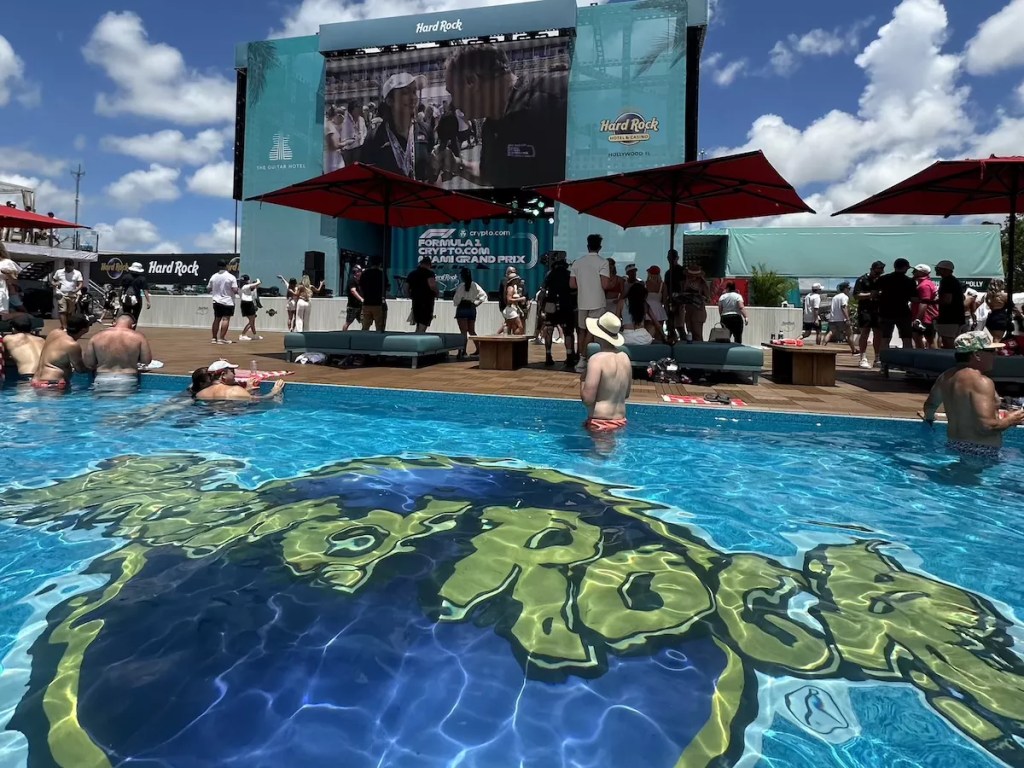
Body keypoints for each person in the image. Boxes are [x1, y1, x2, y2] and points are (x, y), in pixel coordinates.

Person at [440, 44, 568, 187]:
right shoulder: (490, 127)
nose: (453, 105)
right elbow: (491, 175)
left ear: (472, 82)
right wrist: (456, 165)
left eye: (452, 92)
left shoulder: (557, 97)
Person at [919, 331, 1024, 460]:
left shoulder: (945, 377)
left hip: (954, 446)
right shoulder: (981, 382)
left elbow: (930, 406)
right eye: (990, 351)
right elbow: (986, 426)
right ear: (977, 354)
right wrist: (1011, 419)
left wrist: (929, 421)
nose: (995, 355)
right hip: (982, 452)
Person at [360, 73, 424, 178]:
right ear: (390, 101)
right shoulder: (374, 138)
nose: (413, 98)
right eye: (405, 93)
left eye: (414, 91)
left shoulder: (425, 130)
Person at [580, 312, 631, 433]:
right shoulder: (625, 358)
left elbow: (588, 399)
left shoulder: (596, 360)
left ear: (598, 335)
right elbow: (626, 394)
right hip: (621, 421)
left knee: (598, 453)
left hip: (600, 423)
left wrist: (582, 380)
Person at [570, 234, 611, 372]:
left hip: (582, 301)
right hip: (597, 301)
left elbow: (572, 284)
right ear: (600, 247)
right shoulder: (603, 262)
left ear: (587, 246)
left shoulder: (577, 262)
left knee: (582, 330)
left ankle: (582, 359)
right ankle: (584, 359)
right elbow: (605, 285)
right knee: (593, 330)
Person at [82, 314, 153, 392]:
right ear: (133, 325)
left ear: (114, 323)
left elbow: (89, 363)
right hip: (127, 379)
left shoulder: (96, 337)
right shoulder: (139, 337)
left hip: (102, 378)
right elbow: (146, 360)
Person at [31, 314, 89, 391]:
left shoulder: (54, 333)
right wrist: (93, 367)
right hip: (53, 384)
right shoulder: (72, 345)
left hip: (36, 381)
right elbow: (80, 369)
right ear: (84, 330)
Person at [874, 258, 917, 354]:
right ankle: (907, 361)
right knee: (906, 339)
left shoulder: (883, 279)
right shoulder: (909, 281)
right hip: (903, 312)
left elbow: (874, 294)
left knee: (885, 338)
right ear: (905, 267)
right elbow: (914, 299)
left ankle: (883, 362)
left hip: (885, 312)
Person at [542, 253, 577, 369]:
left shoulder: (549, 275)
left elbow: (543, 291)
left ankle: (548, 355)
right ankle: (570, 355)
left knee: (549, 329)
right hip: (566, 305)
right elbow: (574, 291)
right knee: (568, 331)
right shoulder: (569, 275)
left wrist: (542, 308)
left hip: (551, 304)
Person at [195, 359, 286, 402]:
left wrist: (246, 389)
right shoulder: (234, 390)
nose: (235, 374)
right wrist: (274, 392)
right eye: (232, 371)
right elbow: (261, 400)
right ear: (223, 375)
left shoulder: (201, 394)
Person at [853, 260, 886, 368]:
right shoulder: (862, 280)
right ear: (871, 269)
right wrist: (870, 295)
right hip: (865, 310)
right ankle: (862, 357)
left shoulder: (881, 280)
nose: (878, 274)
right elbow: (856, 295)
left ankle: (877, 358)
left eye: (880, 272)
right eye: (877, 272)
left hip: (878, 310)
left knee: (878, 334)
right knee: (865, 333)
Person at [452, 267, 486, 358]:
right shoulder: (475, 285)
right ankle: (479, 350)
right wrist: (476, 303)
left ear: (462, 276)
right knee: (472, 331)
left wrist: (457, 304)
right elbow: (484, 295)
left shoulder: (461, 286)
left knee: (463, 332)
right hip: (471, 308)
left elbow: (456, 300)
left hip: (462, 308)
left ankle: (463, 351)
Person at [934, 259, 965, 349]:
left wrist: (931, 302)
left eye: (939, 269)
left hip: (949, 317)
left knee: (948, 341)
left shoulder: (947, 281)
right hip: (956, 317)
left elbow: (947, 300)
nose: (936, 270)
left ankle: (951, 359)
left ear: (945, 270)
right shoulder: (954, 281)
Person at [1, 314, 44, 379]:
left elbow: (4, 356)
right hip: (45, 376)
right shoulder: (42, 340)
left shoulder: (8, 339)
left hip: (28, 376)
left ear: (13, 329)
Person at [821, 282, 857, 354]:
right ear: (845, 289)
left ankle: (822, 347)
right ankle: (854, 350)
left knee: (830, 333)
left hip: (833, 318)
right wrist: (847, 319)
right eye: (848, 288)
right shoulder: (844, 297)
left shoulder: (835, 297)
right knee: (849, 334)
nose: (849, 290)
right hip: (842, 319)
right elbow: (843, 307)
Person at [208, 260, 238, 344]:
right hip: (228, 301)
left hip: (216, 301)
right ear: (226, 266)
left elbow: (208, 289)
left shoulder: (213, 276)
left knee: (217, 319)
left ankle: (214, 338)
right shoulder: (231, 277)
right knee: (226, 319)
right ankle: (221, 338)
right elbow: (235, 289)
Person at [680, 265, 711, 342]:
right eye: (690, 276)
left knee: (697, 333)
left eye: (694, 276)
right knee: (689, 332)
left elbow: (708, 299)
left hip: (698, 310)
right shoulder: (684, 283)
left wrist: (699, 297)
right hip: (688, 309)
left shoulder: (702, 284)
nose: (692, 277)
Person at [406, 256, 438, 332]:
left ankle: (415, 338)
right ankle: (419, 339)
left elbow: (406, 287)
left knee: (418, 322)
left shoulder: (412, 274)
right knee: (423, 322)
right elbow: (432, 285)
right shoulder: (429, 273)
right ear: (429, 264)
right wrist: (437, 292)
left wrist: (409, 296)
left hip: (416, 301)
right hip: (427, 301)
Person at [910, 264, 938, 349]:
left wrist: (918, 319)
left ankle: (932, 358)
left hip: (926, 317)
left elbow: (924, 302)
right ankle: (923, 357)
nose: (912, 272)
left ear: (920, 272)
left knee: (929, 339)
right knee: (918, 337)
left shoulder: (924, 285)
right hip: (924, 316)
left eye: (915, 271)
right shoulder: (924, 283)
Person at [50, 259, 83, 331]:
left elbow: (80, 283)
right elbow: (53, 281)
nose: (68, 268)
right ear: (65, 266)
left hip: (72, 294)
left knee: (70, 312)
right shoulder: (59, 272)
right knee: (62, 310)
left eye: (70, 267)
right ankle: (64, 327)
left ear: (73, 266)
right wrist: (55, 284)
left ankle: (68, 325)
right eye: (67, 267)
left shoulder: (77, 273)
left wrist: (76, 290)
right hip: (61, 293)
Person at [662, 250, 687, 343]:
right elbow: (666, 289)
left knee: (679, 325)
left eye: (672, 257)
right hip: (670, 301)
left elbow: (683, 286)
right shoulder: (668, 273)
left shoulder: (681, 270)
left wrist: (681, 301)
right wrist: (666, 303)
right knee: (670, 325)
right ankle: (673, 341)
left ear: (677, 258)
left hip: (679, 301)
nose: (670, 259)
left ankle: (683, 343)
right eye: (669, 257)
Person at [621, 281, 653, 346]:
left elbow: (616, 322)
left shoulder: (621, 302)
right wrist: (664, 337)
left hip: (627, 338)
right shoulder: (644, 304)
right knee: (652, 327)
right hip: (643, 338)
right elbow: (656, 322)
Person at [120, 262, 151, 328]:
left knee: (126, 315)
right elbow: (145, 290)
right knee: (135, 316)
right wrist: (148, 301)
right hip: (137, 299)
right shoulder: (142, 278)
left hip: (126, 299)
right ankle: (132, 330)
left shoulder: (126, 277)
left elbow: (121, 288)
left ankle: (125, 329)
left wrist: (120, 299)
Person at [360, 256, 387, 332]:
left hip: (367, 303)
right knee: (379, 326)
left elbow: (361, 287)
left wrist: (364, 296)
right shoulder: (381, 274)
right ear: (380, 264)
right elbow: (387, 287)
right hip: (378, 303)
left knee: (365, 326)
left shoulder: (365, 274)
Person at [644, 266, 668, 343]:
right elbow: (664, 301)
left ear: (649, 274)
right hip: (659, 310)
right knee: (659, 334)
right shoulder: (663, 285)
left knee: (647, 332)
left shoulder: (645, 284)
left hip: (647, 310)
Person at [340, 101, 367, 167]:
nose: (360, 110)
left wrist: (362, 139)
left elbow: (365, 132)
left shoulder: (361, 119)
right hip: (347, 150)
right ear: (352, 109)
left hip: (358, 148)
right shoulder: (344, 120)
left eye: (361, 108)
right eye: (358, 108)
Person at [238, 275, 263, 341]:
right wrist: (258, 280)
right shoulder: (245, 286)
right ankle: (243, 334)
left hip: (245, 303)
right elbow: (257, 283)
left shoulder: (241, 287)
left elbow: (254, 287)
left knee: (252, 320)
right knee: (251, 321)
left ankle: (254, 335)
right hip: (248, 303)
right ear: (247, 280)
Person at [503, 270, 527, 335]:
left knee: (510, 326)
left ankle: (509, 339)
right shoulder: (510, 288)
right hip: (510, 310)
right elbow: (509, 300)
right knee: (520, 327)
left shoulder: (512, 287)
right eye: (516, 279)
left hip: (511, 309)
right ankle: (514, 338)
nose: (517, 281)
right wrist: (520, 299)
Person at [343, 264, 364, 331]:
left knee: (364, 322)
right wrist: (361, 299)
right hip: (352, 306)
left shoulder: (360, 281)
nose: (361, 272)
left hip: (360, 306)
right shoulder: (352, 280)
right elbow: (353, 291)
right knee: (348, 322)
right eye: (360, 271)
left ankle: (364, 335)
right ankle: (343, 334)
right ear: (356, 272)